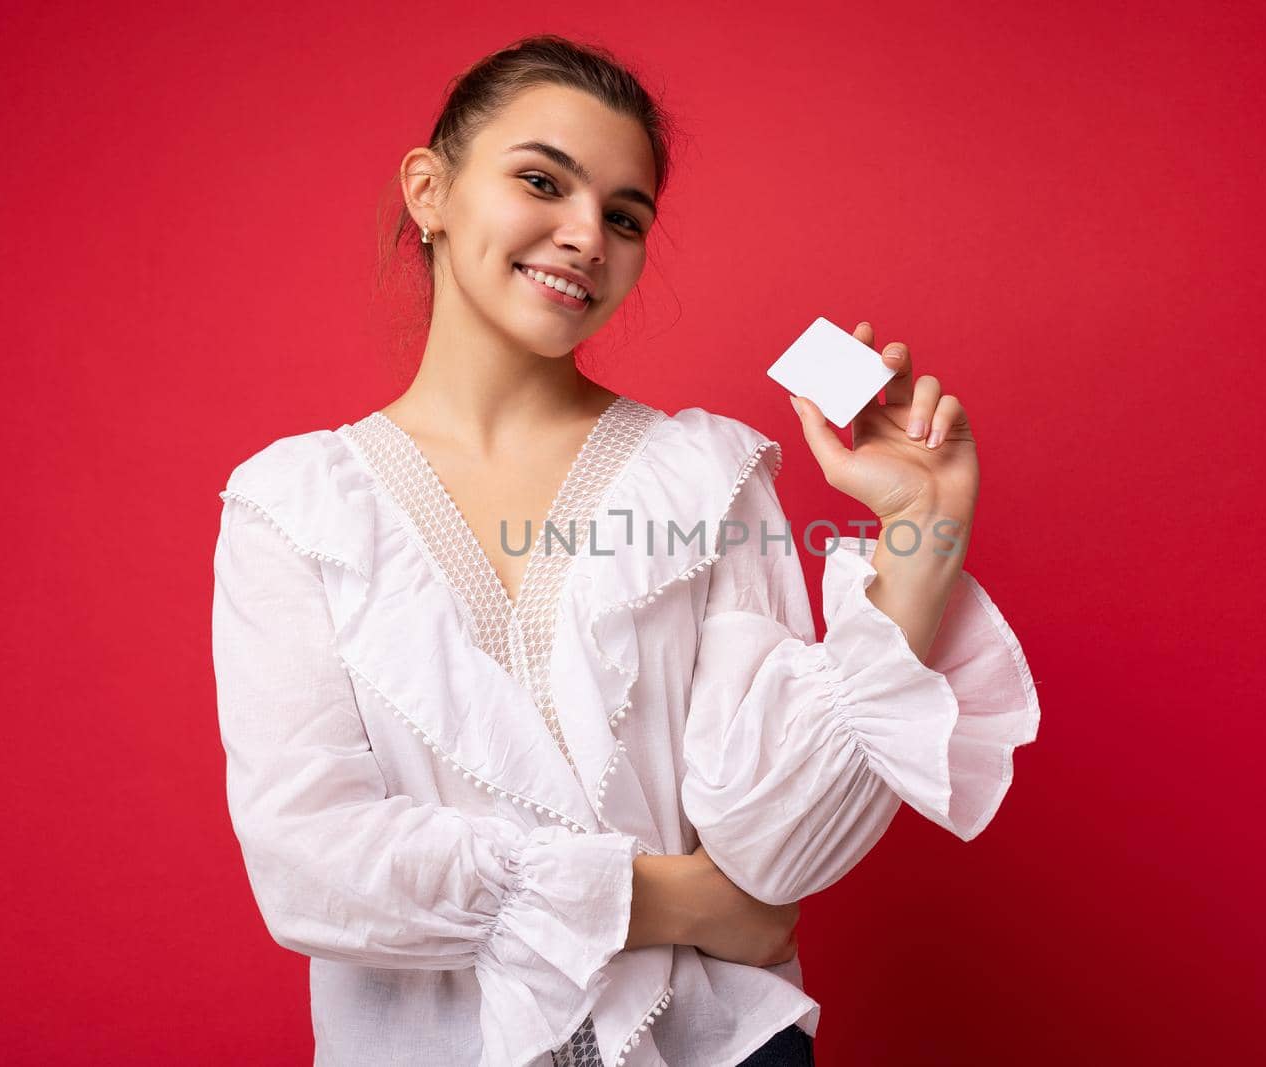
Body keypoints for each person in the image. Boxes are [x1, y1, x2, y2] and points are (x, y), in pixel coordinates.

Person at [210, 33, 1040, 1067]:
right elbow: (312, 867)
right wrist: (678, 899)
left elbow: (773, 850)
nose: (583, 235)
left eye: (623, 215)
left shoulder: (707, 475)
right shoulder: (291, 503)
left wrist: (919, 542)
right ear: (430, 190)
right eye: (540, 181)